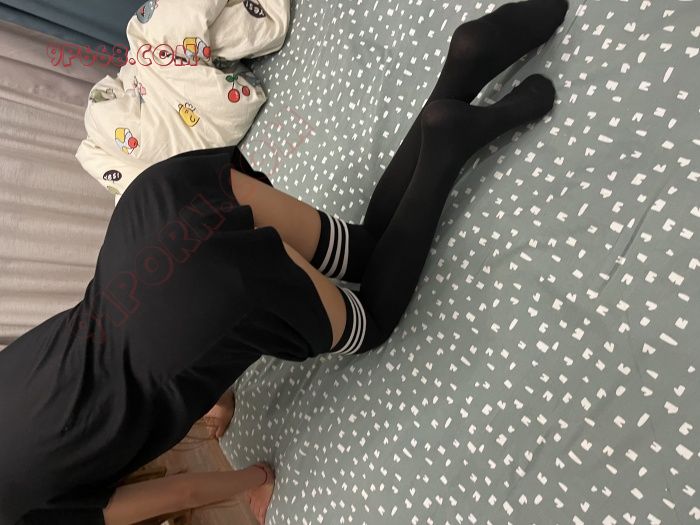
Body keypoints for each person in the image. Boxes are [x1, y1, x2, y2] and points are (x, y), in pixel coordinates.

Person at [0, 0, 569, 524]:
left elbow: (180, 492)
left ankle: (446, 147)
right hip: (154, 210)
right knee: (364, 249)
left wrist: (256, 482)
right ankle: (462, 68)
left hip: (191, 306)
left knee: (371, 321)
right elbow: (92, 363)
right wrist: (212, 396)